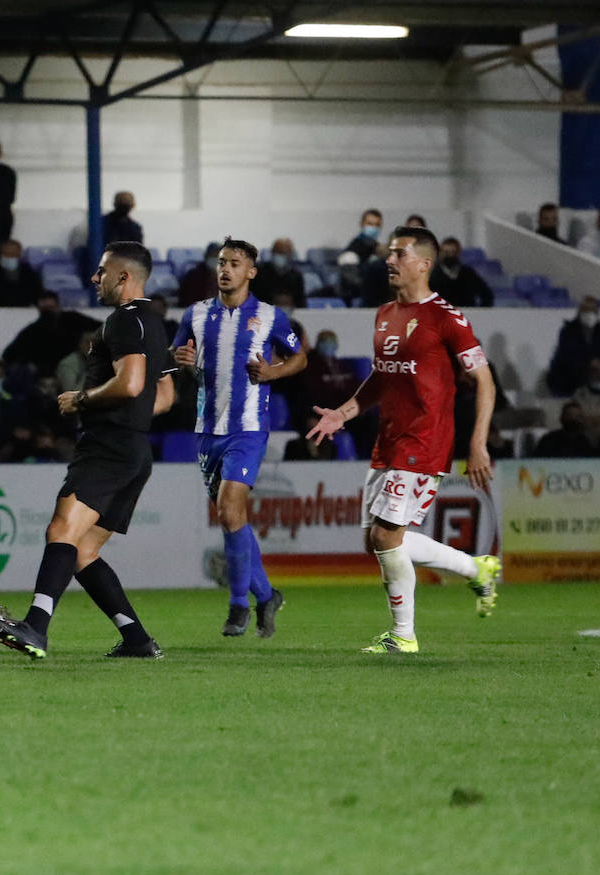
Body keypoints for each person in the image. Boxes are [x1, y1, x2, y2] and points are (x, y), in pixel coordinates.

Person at [307, 225, 502, 654]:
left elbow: (484, 381)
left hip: (425, 441)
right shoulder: (383, 313)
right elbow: (381, 379)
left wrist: (478, 443)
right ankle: (478, 569)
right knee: (376, 539)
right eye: (389, 254)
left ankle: (403, 635)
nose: (389, 260)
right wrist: (342, 413)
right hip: (389, 441)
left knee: (385, 537)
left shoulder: (447, 318)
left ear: (424, 264)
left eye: (399, 254)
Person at [0, 241, 174, 659]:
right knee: (83, 550)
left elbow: (132, 384)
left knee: (60, 531)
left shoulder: (124, 321)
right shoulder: (155, 322)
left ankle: (36, 626)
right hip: (135, 449)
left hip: (108, 446)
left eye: (102, 270)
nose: (94, 278)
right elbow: (164, 395)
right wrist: (130, 420)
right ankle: (137, 640)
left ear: (124, 277)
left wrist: (82, 400)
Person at [172, 237, 304, 638]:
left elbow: (299, 356)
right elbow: (182, 356)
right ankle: (266, 596)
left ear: (251, 272)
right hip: (206, 430)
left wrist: (273, 372)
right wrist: (181, 361)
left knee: (230, 510)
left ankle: (236, 607)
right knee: (234, 519)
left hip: (248, 428)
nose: (225, 269)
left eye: (234, 263)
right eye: (221, 262)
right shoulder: (195, 314)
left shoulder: (269, 316)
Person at [2, 289, 100, 378]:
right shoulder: (31, 332)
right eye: (45, 309)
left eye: (51, 308)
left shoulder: (73, 319)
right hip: (48, 377)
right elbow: (9, 355)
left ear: (58, 306)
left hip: (78, 369)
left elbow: (103, 328)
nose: (48, 313)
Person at [547, 298, 600, 396]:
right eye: (586, 310)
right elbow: (567, 356)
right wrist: (590, 362)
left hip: (595, 375)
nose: (589, 313)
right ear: (579, 312)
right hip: (570, 377)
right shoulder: (568, 331)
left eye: (592, 310)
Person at [429, 236, 494, 310]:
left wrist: (480, 312)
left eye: (453, 252)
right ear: (440, 252)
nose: (450, 255)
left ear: (458, 252)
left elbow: (486, 294)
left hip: (467, 314)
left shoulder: (468, 273)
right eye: (446, 252)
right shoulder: (432, 274)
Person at [250, 237, 306, 309]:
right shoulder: (259, 273)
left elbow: (301, 303)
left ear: (291, 255)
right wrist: (273, 300)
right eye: (279, 252)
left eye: (285, 253)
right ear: (273, 253)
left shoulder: (296, 276)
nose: (282, 256)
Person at [0, 239, 43, 308]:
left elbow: (37, 294)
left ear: (19, 255)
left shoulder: (28, 273)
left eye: (13, 255)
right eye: (6, 254)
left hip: (24, 311)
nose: (9, 257)